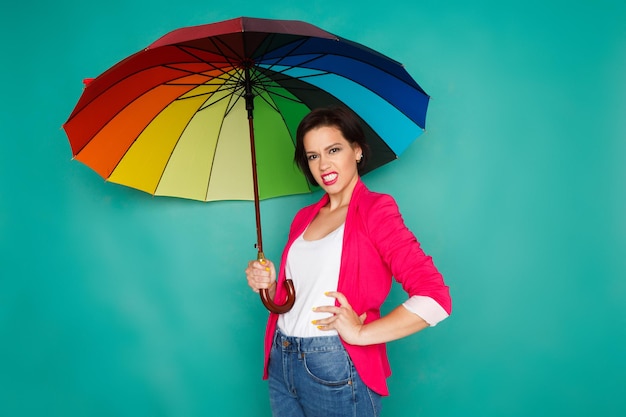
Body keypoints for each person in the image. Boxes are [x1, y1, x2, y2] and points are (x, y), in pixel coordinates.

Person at [245, 107, 451, 417]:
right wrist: (271, 285)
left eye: (333, 149)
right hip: (282, 358)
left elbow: (436, 299)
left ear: (356, 150)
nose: (323, 164)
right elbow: (295, 300)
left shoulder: (375, 209)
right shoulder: (304, 217)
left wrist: (361, 334)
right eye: (313, 156)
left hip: (332, 363)